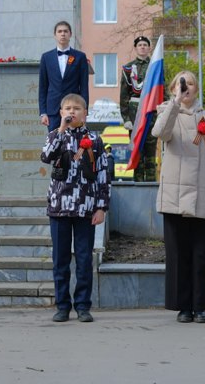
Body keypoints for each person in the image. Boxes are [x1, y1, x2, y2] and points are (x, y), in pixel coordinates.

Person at [152, 71, 205, 324]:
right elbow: (160, 133)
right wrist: (175, 102)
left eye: (191, 83)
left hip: (202, 195)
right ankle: (182, 306)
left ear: (197, 89)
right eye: (181, 83)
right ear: (175, 88)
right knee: (177, 254)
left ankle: (199, 306)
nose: (187, 88)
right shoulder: (167, 112)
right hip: (174, 197)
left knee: (200, 254)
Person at [40, 93, 109, 323]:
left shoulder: (95, 139)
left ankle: (82, 305)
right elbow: (46, 156)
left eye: (77, 108)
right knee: (60, 259)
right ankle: (62, 305)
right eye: (67, 109)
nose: (72, 112)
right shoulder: (55, 135)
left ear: (85, 113)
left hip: (85, 207)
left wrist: (101, 207)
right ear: (61, 113)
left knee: (83, 259)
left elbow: (102, 176)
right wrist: (60, 130)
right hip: (59, 207)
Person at [39, 21, 90, 131]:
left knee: (74, 142)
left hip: (74, 109)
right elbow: (43, 87)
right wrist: (43, 112)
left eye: (66, 31)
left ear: (70, 34)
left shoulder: (80, 57)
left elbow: (84, 86)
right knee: (54, 142)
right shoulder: (46, 57)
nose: (63, 34)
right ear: (55, 35)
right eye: (60, 31)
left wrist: (84, 112)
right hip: (53, 110)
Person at [120, 36, 158, 181]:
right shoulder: (128, 68)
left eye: (145, 45)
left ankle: (151, 183)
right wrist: (126, 118)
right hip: (134, 112)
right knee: (137, 151)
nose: (142, 47)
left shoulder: (155, 67)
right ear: (136, 48)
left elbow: (162, 90)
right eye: (140, 45)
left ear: (149, 48)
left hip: (151, 113)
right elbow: (124, 95)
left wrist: (163, 112)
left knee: (150, 151)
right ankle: (138, 184)